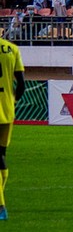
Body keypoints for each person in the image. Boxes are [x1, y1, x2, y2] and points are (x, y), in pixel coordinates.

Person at [0, 27, 25, 220]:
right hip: (7, 111)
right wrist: (12, 101)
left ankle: (1, 206)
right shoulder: (12, 48)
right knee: (1, 155)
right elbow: (22, 84)